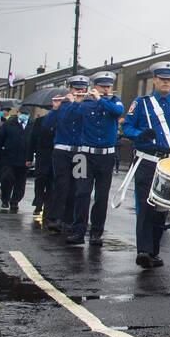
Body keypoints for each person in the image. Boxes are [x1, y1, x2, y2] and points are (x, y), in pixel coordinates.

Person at [120, 61, 170, 269]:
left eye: (169, 79)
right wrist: (140, 135)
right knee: (146, 207)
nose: (166, 83)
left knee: (161, 209)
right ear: (154, 80)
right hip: (146, 161)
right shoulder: (142, 103)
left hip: (168, 164)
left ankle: (154, 251)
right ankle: (144, 251)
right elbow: (127, 127)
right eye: (162, 79)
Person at [68, 70, 124, 245]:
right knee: (82, 193)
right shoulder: (84, 103)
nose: (106, 89)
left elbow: (117, 112)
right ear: (94, 87)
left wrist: (100, 100)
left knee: (101, 196)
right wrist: (75, 103)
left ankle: (96, 233)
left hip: (106, 157)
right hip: (84, 156)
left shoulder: (115, 102)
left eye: (109, 87)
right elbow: (69, 119)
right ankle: (78, 231)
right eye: (102, 86)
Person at [44, 75, 89, 233]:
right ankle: (55, 218)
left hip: (80, 152)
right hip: (62, 151)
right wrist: (54, 109)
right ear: (70, 89)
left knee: (78, 187)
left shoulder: (87, 105)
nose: (80, 91)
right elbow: (46, 125)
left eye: (83, 89)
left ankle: (70, 219)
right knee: (61, 184)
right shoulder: (62, 105)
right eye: (77, 89)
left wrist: (78, 103)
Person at [27, 93, 64, 219]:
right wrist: (29, 157)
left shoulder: (62, 121)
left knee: (52, 183)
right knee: (40, 180)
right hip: (43, 156)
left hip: (56, 156)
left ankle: (47, 208)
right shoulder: (40, 121)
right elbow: (32, 139)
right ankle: (38, 203)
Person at [0, 106, 31, 213]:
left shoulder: (32, 126)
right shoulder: (9, 124)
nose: (24, 115)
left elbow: (35, 141)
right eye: (22, 113)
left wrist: (31, 156)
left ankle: (15, 202)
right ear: (18, 113)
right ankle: (5, 199)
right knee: (7, 179)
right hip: (9, 158)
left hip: (24, 160)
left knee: (20, 183)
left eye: (26, 114)